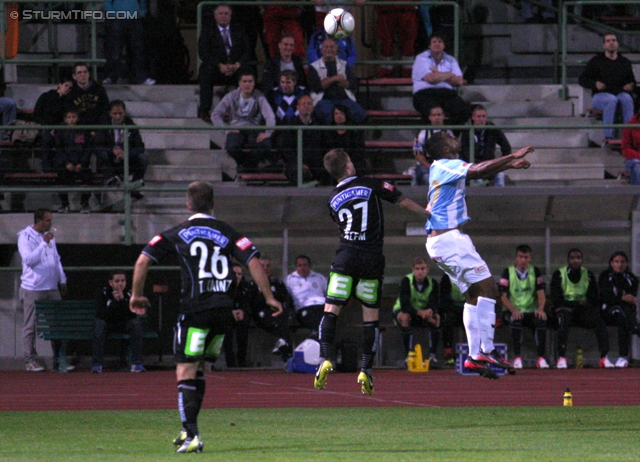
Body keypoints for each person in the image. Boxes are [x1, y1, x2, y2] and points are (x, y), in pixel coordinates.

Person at [129, 181, 283, 454]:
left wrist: (136, 295)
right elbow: (253, 262)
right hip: (223, 312)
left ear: (188, 205)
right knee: (198, 369)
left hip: (195, 310)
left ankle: (191, 435)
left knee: (184, 369)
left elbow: (143, 260)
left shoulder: (178, 232)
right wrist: (269, 296)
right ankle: (189, 427)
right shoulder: (227, 231)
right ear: (213, 205)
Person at [314, 148, 430, 396]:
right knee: (371, 318)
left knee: (331, 310)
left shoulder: (333, 197)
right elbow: (402, 201)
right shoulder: (371, 184)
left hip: (345, 257)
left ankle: (324, 357)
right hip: (371, 259)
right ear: (348, 166)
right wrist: (428, 215)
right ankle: (366, 369)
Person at [424, 131, 533, 379]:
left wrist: (508, 164)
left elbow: (480, 172)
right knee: (489, 288)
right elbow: (478, 170)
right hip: (448, 239)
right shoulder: (445, 164)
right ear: (444, 147)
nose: (453, 136)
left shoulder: (443, 166)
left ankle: (474, 356)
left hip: (442, 241)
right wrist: (510, 156)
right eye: (448, 136)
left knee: (474, 294)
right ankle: (488, 349)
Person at [17, 209, 68, 372]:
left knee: (57, 325)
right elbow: (29, 260)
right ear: (39, 221)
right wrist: (43, 243)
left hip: (52, 287)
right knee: (30, 326)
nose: (50, 223)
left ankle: (59, 359)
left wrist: (62, 278)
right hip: (33, 288)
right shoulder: (25, 237)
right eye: (48, 220)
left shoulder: (50, 237)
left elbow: (56, 258)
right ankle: (30, 360)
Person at [550, 248, 612, 369]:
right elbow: (556, 298)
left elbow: (594, 297)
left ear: (582, 260)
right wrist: (572, 305)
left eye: (578, 258)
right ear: (568, 260)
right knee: (562, 319)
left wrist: (582, 304)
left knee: (599, 320)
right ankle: (561, 357)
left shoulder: (588, 274)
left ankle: (604, 357)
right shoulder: (559, 274)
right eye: (572, 258)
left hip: (582, 311)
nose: (575, 261)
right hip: (566, 311)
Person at [211, 69, 276, 173]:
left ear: (254, 83)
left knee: (266, 145)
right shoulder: (231, 96)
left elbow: (270, 116)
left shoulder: (259, 96)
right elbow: (215, 114)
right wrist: (226, 130)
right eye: (244, 81)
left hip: (254, 128)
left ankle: (246, 165)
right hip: (236, 128)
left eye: (250, 81)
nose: (247, 84)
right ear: (239, 83)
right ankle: (248, 165)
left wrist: (268, 132)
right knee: (231, 147)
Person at [198, 4, 251, 121]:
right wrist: (219, 65)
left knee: (248, 71)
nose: (223, 16)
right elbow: (203, 53)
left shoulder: (239, 29)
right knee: (205, 70)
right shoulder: (208, 30)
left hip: (235, 68)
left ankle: (246, 110)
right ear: (215, 16)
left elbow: (247, 51)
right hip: (216, 68)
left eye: (226, 14)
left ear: (231, 16)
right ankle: (205, 110)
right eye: (220, 14)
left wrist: (236, 65)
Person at [499, 244, 549, 369]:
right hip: (512, 311)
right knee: (515, 320)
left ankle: (541, 358)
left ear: (530, 258)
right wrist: (514, 310)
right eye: (521, 257)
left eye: (526, 257)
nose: (523, 260)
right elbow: (503, 297)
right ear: (516, 257)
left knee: (541, 320)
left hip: (530, 310)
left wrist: (540, 309)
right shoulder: (508, 272)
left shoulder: (535, 271)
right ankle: (517, 357)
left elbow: (541, 293)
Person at [578, 33, 635, 141]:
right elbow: (582, 79)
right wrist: (595, 84)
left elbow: (631, 80)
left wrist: (631, 85)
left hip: (620, 93)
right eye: (608, 41)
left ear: (617, 43)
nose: (611, 43)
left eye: (613, 40)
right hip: (600, 96)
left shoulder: (625, 62)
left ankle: (630, 136)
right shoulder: (596, 61)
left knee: (627, 98)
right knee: (611, 100)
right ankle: (608, 136)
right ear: (604, 45)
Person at [412, 33, 470, 128]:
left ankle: (448, 134)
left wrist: (437, 73)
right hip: (425, 94)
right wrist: (449, 74)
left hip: (447, 94)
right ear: (429, 45)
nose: (437, 44)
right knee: (434, 112)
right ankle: (432, 138)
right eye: (434, 41)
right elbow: (430, 79)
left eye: (440, 41)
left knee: (465, 110)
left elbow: (459, 81)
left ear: (444, 45)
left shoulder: (451, 60)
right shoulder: (421, 58)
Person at [92, 271, 145, 373]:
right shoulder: (103, 293)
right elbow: (101, 314)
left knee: (136, 323)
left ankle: (137, 364)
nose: (120, 283)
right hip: (108, 325)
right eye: (117, 281)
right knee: (99, 324)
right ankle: (97, 365)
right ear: (111, 283)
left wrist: (122, 300)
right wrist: (114, 302)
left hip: (124, 325)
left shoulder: (130, 293)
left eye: (122, 281)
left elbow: (133, 314)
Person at [94, 99, 147, 199]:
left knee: (143, 157)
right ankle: (111, 179)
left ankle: (134, 186)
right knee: (102, 154)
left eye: (120, 113)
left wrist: (127, 154)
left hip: (126, 160)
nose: (117, 116)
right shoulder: (103, 125)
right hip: (109, 160)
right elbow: (97, 146)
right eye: (114, 113)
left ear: (124, 113)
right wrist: (112, 151)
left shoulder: (131, 126)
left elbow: (140, 146)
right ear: (109, 113)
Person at [392, 257, 441, 364]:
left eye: (423, 269)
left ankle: (433, 356)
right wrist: (419, 312)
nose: (420, 272)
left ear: (427, 270)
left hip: (423, 312)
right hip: (406, 311)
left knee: (436, 318)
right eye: (417, 269)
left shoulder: (432, 283)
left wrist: (430, 311)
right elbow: (404, 305)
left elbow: (435, 302)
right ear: (413, 270)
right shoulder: (406, 281)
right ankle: (409, 355)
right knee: (405, 318)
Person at [308, 38, 366, 126]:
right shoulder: (314, 67)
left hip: (344, 99)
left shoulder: (344, 64)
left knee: (360, 113)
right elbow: (316, 87)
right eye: (326, 47)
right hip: (324, 100)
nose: (329, 49)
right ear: (321, 49)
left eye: (332, 47)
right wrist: (335, 79)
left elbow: (353, 83)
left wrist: (328, 82)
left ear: (336, 49)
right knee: (326, 113)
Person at [598, 251, 640, 368]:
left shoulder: (632, 278)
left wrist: (625, 299)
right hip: (607, 311)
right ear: (611, 263)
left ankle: (622, 357)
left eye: (622, 262)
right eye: (617, 262)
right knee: (621, 311)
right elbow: (606, 296)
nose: (620, 265)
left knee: (623, 317)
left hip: (624, 313)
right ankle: (636, 327)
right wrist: (621, 298)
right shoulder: (605, 276)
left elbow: (630, 298)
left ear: (626, 264)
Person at [247, 256, 294, 362]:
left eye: (268, 266)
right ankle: (288, 357)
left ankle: (283, 343)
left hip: (278, 315)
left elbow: (286, 299)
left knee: (283, 317)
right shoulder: (252, 284)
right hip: (260, 316)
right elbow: (251, 303)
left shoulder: (278, 283)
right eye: (262, 266)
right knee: (282, 322)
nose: (265, 268)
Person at [102, 0, 155, 85]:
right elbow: (107, 3)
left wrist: (142, 12)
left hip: (134, 18)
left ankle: (141, 78)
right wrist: (114, 14)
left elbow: (143, 2)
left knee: (138, 50)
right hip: (119, 19)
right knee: (115, 50)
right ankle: (111, 77)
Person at [459, 104, 512, 187]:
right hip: (474, 165)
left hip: (490, 164)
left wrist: (501, 162)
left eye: (483, 116)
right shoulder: (467, 130)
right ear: (473, 118)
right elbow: (464, 151)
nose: (481, 119)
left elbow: (506, 146)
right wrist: (474, 164)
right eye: (479, 116)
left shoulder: (492, 128)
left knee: (500, 176)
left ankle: (500, 199)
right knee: (477, 180)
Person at [279, 94, 325, 185]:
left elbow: (323, 146)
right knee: (294, 170)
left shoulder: (319, 125)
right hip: (296, 162)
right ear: (298, 107)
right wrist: (299, 163)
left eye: (309, 104)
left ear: (312, 107)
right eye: (303, 104)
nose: (306, 106)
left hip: (315, 162)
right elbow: (286, 148)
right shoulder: (290, 125)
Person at [53, 109, 93, 214]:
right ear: (65, 119)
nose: (71, 119)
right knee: (61, 177)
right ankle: (64, 204)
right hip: (66, 165)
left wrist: (82, 163)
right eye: (69, 117)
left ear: (78, 118)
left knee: (88, 177)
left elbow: (87, 149)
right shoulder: (61, 132)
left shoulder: (83, 131)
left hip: (81, 165)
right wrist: (67, 163)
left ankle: (84, 204)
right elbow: (59, 149)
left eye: (74, 117)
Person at [33, 77, 74, 172]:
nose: (67, 88)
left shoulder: (68, 102)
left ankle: (61, 171)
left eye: (70, 87)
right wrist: (49, 127)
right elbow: (37, 115)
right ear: (60, 85)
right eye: (66, 85)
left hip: (60, 129)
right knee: (47, 140)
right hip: (45, 127)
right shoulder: (46, 96)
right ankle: (47, 172)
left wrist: (56, 128)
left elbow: (66, 119)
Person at [285, 255, 327, 337]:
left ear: (309, 266)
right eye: (300, 265)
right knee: (315, 318)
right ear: (296, 267)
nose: (302, 268)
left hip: (321, 306)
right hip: (304, 308)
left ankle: (317, 336)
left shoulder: (319, 277)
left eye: (305, 265)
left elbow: (329, 291)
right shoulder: (289, 279)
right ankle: (316, 336)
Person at [412, 105, 454, 185]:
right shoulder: (422, 133)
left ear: (443, 116)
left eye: (439, 115)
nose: (437, 117)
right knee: (427, 177)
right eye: (434, 115)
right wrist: (429, 166)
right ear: (430, 117)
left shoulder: (449, 133)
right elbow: (417, 153)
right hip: (427, 165)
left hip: (445, 166)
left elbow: (454, 153)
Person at [321, 104, 368, 176]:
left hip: (351, 162)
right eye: (336, 114)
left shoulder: (354, 132)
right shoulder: (328, 132)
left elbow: (359, 151)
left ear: (346, 115)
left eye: (341, 113)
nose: (339, 116)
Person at [374, 1, 417, 77]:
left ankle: (407, 75)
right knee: (386, 44)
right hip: (387, 8)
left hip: (405, 8)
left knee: (408, 44)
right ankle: (386, 76)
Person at [222, 263, 252, 368]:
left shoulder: (246, 287)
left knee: (244, 326)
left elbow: (249, 303)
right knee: (226, 327)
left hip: (241, 315)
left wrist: (243, 311)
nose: (237, 277)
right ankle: (230, 362)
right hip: (225, 315)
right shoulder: (223, 287)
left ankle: (241, 361)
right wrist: (231, 311)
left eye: (239, 274)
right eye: (235, 274)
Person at [439, 272, 465, 366]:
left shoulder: (470, 275)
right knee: (447, 319)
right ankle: (448, 352)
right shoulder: (446, 277)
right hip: (452, 310)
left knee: (473, 320)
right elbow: (444, 300)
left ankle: (475, 352)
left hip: (467, 308)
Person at [621, 109, 640, 185]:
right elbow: (625, 149)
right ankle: (638, 196)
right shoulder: (630, 125)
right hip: (634, 158)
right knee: (637, 168)